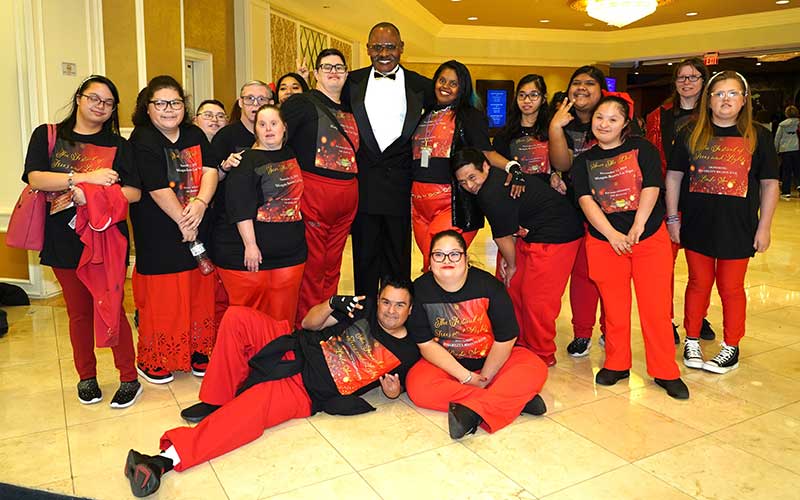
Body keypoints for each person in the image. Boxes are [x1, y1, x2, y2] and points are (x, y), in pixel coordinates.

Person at [123, 280, 420, 497]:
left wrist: (392, 392)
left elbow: (397, 392)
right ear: (378, 300)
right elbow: (308, 322)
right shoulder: (362, 309)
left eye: (399, 305)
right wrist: (332, 303)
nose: (390, 311)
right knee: (237, 316)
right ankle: (217, 399)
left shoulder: (408, 352)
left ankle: (163, 461)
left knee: (246, 414)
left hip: (303, 389)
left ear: (410, 309)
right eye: (386, 302)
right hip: (292, 342)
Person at [23, 75, 143, 408]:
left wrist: (90, 196)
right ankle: (86, 377)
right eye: (94, 98)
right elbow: (36, 178)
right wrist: (86, 178)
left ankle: (128, 378)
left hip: (106, 238)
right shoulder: (48, 135)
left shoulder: (120, 145)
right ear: (79, 98)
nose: (100, 106)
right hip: (62, 237)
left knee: (112, 310)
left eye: (108, 103)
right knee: (78, 314)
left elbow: (133, 192)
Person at [572, 95, 689, 399]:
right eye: (599, 117)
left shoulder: (643, 149)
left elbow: (652, 185)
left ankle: (665, 370)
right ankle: (616, 363)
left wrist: (638, 225)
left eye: (613, 118)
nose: (604, 124)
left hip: (648, 238)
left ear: (625, 123)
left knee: (656, 308)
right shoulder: (583, 160)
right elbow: (585, 200)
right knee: (614, 308)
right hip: (605, 243)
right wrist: (611, 234)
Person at [666, 71, 779, 374]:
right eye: (718, 94)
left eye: (732, 94)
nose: (725, 99)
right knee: (697, 284)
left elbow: (769, 184)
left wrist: (764, 226)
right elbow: (674, 177)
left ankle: (732, 345)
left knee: (731, 288)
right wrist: (673, 217)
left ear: (744, 100)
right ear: (709, 100)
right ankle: (691, 337)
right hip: (697, 224)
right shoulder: (690, 133)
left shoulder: (759, 136)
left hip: (738, 227)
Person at [405, 230, 548, 440]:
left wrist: (485, 377)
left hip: (492, 361)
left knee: (534, 367)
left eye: (454, 254)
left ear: (466, 258)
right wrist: (467, 377)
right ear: (430, 260)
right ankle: (515, 401)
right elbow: (426, 344)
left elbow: (506, 338)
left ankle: (472, 413)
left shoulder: (489, 286)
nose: (447, 260)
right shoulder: (419, 290)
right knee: (417, 386)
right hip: (447, 366)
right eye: (439, 254)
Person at [453, 148, 584, 367]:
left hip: (557, 235)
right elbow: (508, 227)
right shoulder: (490, 182)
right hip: (530, 232)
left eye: (472, 177)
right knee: (513, 288)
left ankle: (542, 353)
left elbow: (503, 235)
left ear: (485, 167)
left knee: (537, 299)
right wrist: (509, 261)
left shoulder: (489, 192)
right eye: (463, 182)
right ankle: (519, 342)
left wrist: (511, 264)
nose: (469, 185)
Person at [129, 75, 219, 384]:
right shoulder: (142, 139)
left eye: (176, 103)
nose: (169, 109)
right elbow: (154, 186)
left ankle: (197, 348)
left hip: (197, 221)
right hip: (159, 231)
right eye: (162, 103)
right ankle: (156, 356)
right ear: (148, 107)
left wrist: (201, 204)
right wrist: (184, 219)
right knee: (164, 296)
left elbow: (209, 170)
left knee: (198, 289)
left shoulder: (194, 133)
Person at [345, 21, 435, 296]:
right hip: (364, 185)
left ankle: (397, 320)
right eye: (377, 47)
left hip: (400, 186)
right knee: (364, 257)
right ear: (368, 49)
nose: (384, 53)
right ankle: (365, 319)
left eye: (391, 46)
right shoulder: (351, 83)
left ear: (402, 48)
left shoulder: (423, 87)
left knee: (398, 259)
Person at [410, 60, 525, 271]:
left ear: (463, 88)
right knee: (430, 264)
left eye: (453, 83)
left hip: (451, 203)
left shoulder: (469, 116)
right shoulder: (424, 113)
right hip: (419, 206)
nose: (445, 86)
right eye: (442, 80)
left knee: (438, 264)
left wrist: (512, 167)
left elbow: (486, 152)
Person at [282, 49, 359, 326]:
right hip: (314, 192)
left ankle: (327, 314)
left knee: (333, 264)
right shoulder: (301, 103)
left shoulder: (351, 108)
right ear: (316, 74)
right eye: (327, 67)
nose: (334, 71)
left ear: (346, 73)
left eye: (339, 67)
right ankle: (307, 321)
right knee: (314, 264)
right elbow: (277, 138)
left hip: (347, 195)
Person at [213, 104, 306, 323]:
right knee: (251, 321)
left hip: (290, 253)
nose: (268, 129)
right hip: (251, 255)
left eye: (274, 123)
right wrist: (251, 245)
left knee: (283, 321)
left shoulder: (290, 154)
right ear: (255, 130)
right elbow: (239, 206)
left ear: (284, 127)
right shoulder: (245, 160)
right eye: (262, 124)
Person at [645, 57, 716, 342]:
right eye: (681, 77)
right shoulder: (657, 116)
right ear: (675, 83)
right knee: (664, 268)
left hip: (705, 200)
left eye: (693, 77)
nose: (687, 82)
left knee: (702, 268)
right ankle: (667, 320)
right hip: (667, 201)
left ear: (704, 81)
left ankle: (698, 317)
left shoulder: (716, 115)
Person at [548, 65, 609, 357]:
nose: (582, 88)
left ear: (601, 90)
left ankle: (611, 329)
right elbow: (561, 164)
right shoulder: (563, 121)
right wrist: (556, 126)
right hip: (573, 208)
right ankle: (582, 332)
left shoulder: (615, 119)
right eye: (576, 83)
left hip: (611, 210)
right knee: (583, 275)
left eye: (589, 83)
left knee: (609, 276)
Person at [775, 105, 799, 199]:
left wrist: (776, 149)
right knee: (798, 170)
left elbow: (777, 138)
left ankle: (786, 192)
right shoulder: (799, 123)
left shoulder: (782, 124)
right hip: (797, 148)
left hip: (785, 150)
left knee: (786, 171)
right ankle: (799, 185)